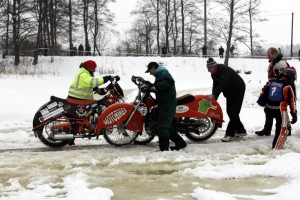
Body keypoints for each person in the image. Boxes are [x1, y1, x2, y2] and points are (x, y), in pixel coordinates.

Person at [137, 62, 187, 151]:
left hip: (167, 103)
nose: (150, 73)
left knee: (163, 127)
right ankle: (180, 143)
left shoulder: (163, 73)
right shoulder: (160, 74)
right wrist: (146, 82)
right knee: (165, 125)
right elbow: (157, 85)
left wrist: (155, 88)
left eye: (150, 71)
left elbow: (169, 82)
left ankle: (164, 150)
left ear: (153, 68)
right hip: (164, 102)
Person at [206, 57, 247, 142]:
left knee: (233, 112)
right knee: (230, 111)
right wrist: (214, 98)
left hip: (238, 89)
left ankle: (230, 134)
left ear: (214, 67)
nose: (208, 71)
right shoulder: (214, 73)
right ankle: (240, 130)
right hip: (229, 92)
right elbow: (215, 85)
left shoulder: (224, 70)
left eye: (209, 69)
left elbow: (222, 84)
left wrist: (214, 95)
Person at [256, 68, 297, 149]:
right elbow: (292, 102)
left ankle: (269, 130)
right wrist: (294, 114)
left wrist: (263, 103)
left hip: (268, 109)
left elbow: (263, 93)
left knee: (277, 117)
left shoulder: (271, 82)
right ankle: (276, 149)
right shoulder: (288, 85)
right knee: (281, 131)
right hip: (280, 111)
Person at [255, 47, 289, 136]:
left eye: (269, 55)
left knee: (281, 110)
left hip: (279, 90)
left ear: (274, 54)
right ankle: (267, 129)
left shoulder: (281, 63)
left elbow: (286, 78)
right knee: (268, 109)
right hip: (272, 88)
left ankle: (286, 128)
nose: (267, 57)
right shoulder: (273, 63)